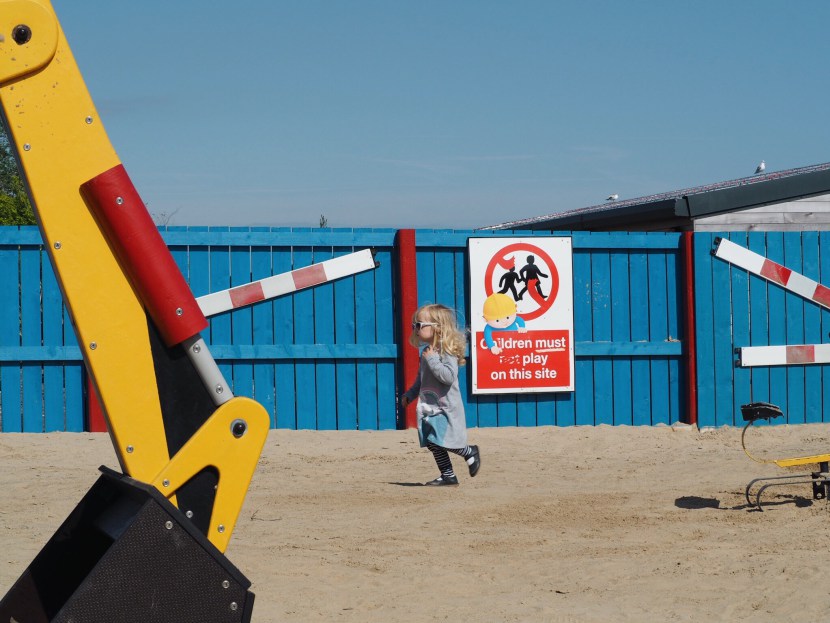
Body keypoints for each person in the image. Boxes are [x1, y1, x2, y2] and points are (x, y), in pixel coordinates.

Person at [400, 303, 481, 486]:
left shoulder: (446, 351)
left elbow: (448, 376)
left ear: (438, 328)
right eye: (415, 325)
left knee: (444, 441)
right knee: (432, 441)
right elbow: (421, 381)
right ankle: (448, 476)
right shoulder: (427, 352)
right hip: (430, 407)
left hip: (446, 408)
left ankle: (469, 452)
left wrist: (433, 360)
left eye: (419, 325)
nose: (416, 329)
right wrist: (410, 395)